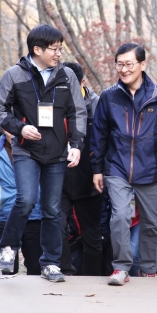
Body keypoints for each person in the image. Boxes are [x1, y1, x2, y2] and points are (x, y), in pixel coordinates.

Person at [90, 43, 157, 286]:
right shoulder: (109, 96)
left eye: (129, 64)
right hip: (117, 167)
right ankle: (121, 267)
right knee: (120, 216)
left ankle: (148, 269)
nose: (123, 70)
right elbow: (99, 135)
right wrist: (97, 168)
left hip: (151, 168)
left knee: (151, 221)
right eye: (119, 64)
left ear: (142, 64)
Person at [0, 24, 87, 282]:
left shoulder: (67, 75)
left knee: (53, 209)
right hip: (27, 151)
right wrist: (21, 128)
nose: (59, 54)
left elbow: (77, 112)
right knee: (26, 200)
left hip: (57, 153)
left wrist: (76, 145)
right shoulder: (14, 75)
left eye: (60, 48)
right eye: (54, 49)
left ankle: (50, 263)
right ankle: (8, 246)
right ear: (37, 50)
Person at [59, 61, 103, 276]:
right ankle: (65, 272)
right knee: (57, 229)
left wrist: (99, 171)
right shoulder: (55, 104)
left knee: (93, 236)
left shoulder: (97, 105)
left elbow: (105, 142)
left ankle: (93, 278)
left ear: (82, 82)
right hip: (61, 181)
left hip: (90, 181)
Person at [0, 131, 42, 275]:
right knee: (8, 269)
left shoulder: (37, 148)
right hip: (6, 215)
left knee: (36, 267)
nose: (14, 131)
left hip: (33, 215)